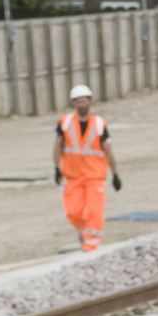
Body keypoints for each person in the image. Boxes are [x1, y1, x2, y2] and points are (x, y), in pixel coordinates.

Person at [56, 85, 118, 255]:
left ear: (90, 102)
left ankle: (91, 244)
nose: (81, 104)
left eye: (84, 101)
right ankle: (85, 232)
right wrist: (57, 168)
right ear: (73, 103)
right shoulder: (65, 122)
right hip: (72, 175)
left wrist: (115, 174)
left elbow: (108, 150)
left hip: (94, 175)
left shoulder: (99, 124)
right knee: (72, 211)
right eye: (78, 101)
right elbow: (58, 146)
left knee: (94, 210)